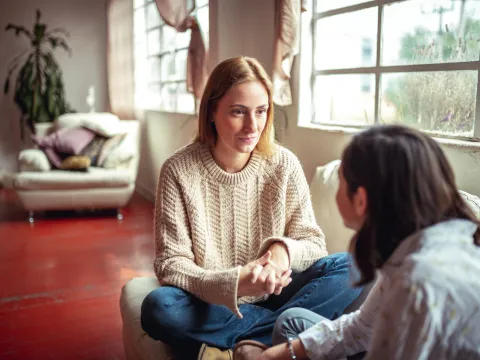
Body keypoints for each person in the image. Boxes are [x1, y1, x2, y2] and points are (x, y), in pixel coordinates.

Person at [140, 56, 363, 360]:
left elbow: (314, 244)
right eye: (238, 112)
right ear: (212, 113)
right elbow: (171, 264)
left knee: (353, 264)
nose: (252, 125)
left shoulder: (284, 164)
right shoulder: (178, 171)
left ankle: (236, 345)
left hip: (278, 294)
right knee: (159, 307)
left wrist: (281, 253)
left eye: (261, 111)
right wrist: (236, 282)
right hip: (212, 302)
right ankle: (276, 339)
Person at [259, 125, 480, 360]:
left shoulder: (416, 281)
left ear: (361, 199)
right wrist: (275, 356)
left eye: (341, 179)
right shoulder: (433, 242)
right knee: (290, 323)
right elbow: (362, 328)